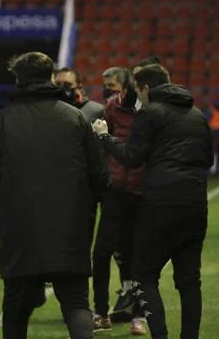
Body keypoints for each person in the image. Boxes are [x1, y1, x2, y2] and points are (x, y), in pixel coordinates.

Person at [0, 52, 110, 339]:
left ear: (18, 79)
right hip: (70, 227)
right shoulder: (76, 118)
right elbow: (101, 177)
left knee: (16, 310)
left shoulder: (1, 122)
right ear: (51, 77)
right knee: (76, 303)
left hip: (20, 229)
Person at [92, 64, 212, 339]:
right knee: (189, 280)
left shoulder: (150, 112)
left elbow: (132, 157)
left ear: (146, 88)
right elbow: (208, 159)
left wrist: (104, 137)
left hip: (161, 203)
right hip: (195, 204)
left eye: (138, 90)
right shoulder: (196, 114)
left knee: (143, 275)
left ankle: (160, 335)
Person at [92, 67, 146, 335]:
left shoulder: (151, 112)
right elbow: (106, 144)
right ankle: (101, 312)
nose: (112, 92)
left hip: (140, 192)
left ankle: (139, 315)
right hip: (114, 191)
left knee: (137, 257)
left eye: (115, 86)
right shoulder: (112, 109)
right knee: (101, 253)